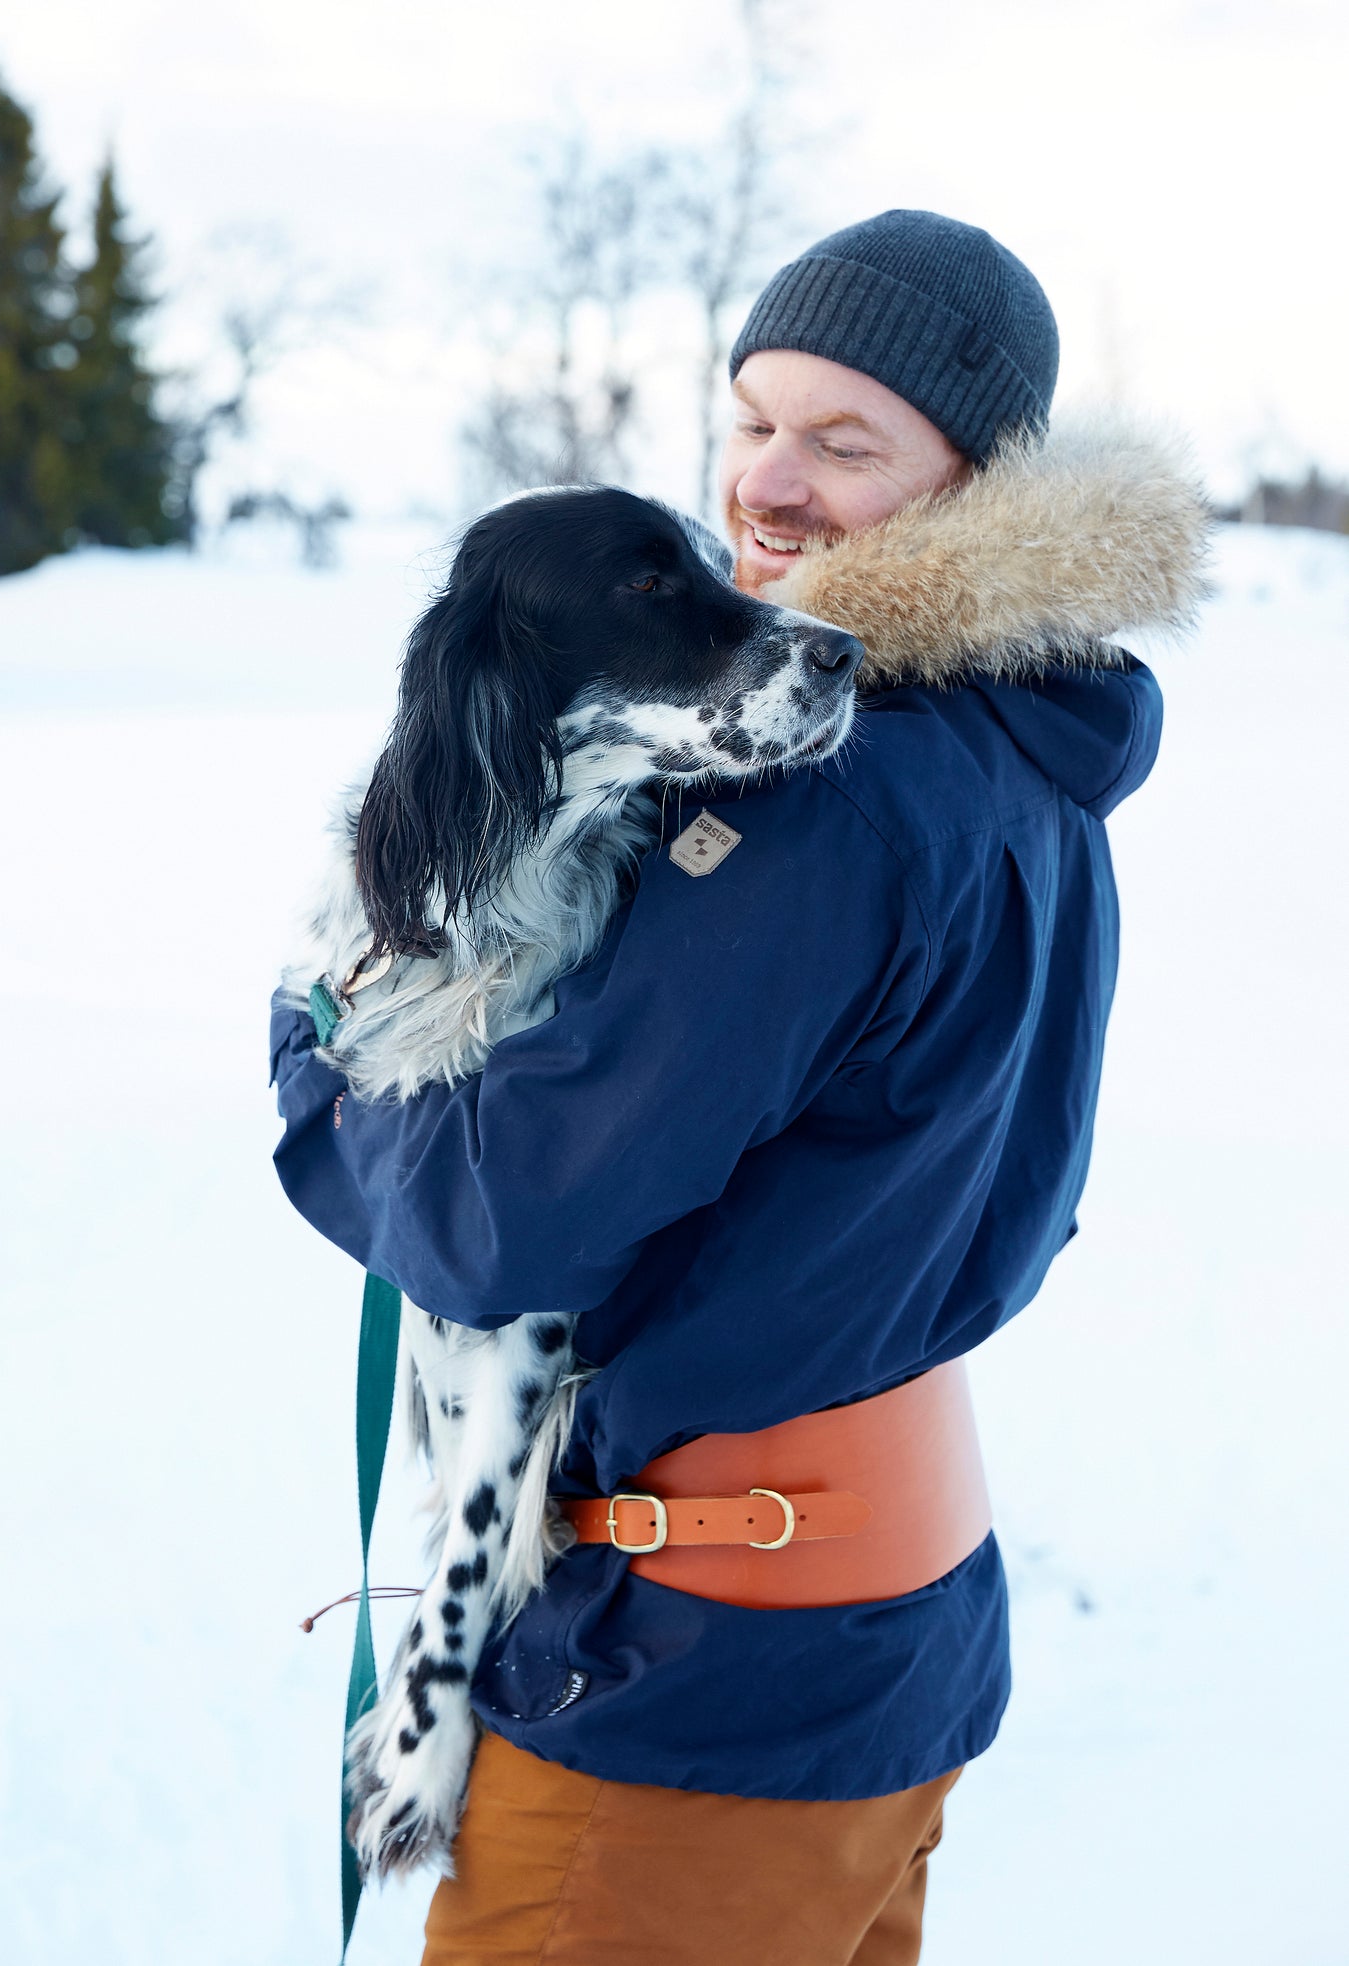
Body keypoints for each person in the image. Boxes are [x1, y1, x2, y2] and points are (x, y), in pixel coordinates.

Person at [270, 210, 1206, 1963]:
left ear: (973, 477)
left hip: (687, 1675)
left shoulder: (825, 801)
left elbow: (493, 1220)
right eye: (754, 417)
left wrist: (317, 1047)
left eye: (845, 444)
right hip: (885, 1640)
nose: (770, 483)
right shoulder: (1028, 744)